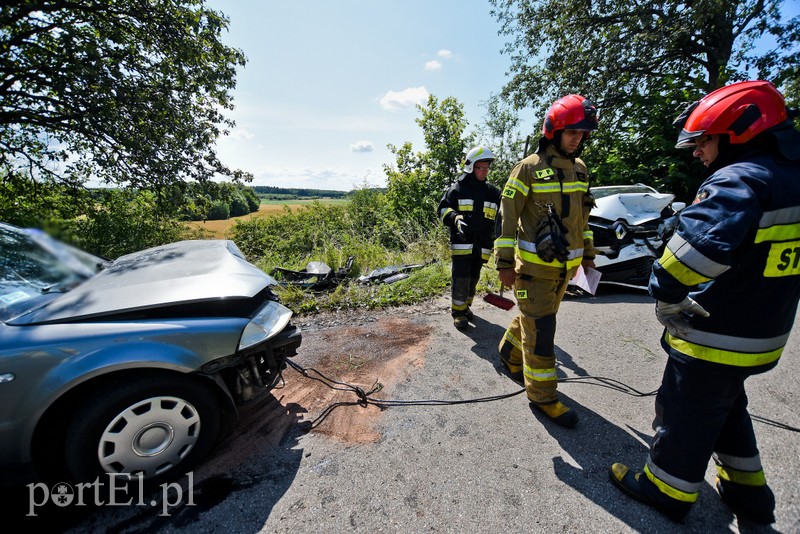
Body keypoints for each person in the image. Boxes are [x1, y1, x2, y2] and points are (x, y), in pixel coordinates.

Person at [609, 80, 800, 524]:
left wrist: (667, 294)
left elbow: (687, 260)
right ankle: (749, 495)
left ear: (738, 132)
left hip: (716, 332)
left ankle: (666, 490)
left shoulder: (740, 180)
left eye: (705, 140)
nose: (697, 151)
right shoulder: (791, 180)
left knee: (685, 411)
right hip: (764, 332)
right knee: (726, 405)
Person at [494, 95, 597, 427]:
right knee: (542, 331)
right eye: (571, 132)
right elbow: (506, 218)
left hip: (565, 270)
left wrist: (588, 257)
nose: (577, 139)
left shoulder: (580, 169)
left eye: (582, 133)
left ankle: (508, 353)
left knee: (537, 319)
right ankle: (542, 397)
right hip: (532, 271)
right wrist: (504, 263)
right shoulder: (528, 168)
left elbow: (583, 220)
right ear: (553, 131)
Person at [438, 146, 502, 329]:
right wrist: (455, 217)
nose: (484, 171)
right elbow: (442, 209)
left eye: (486, 168)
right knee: (461, 278)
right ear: (470, 167)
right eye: (480, 167)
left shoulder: (493, 193)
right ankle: (458, 313)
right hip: (462, 244)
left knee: (474, 278)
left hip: (482, 245)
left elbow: (504, 213)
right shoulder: (457, 190)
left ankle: (466, 308)